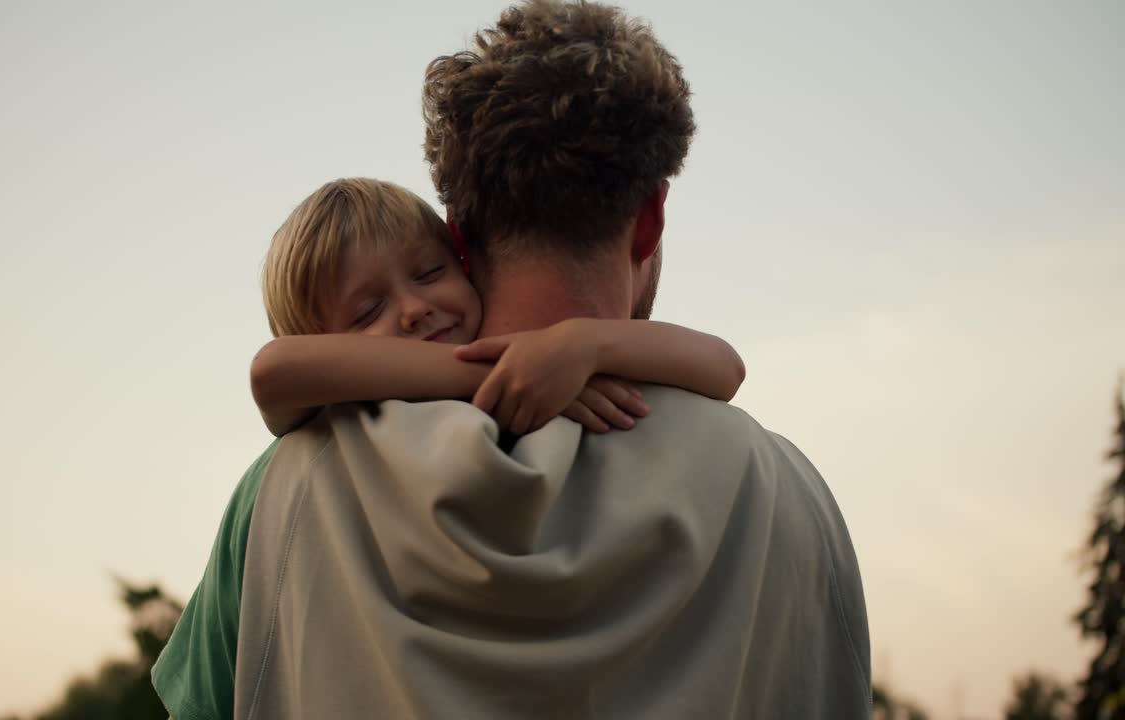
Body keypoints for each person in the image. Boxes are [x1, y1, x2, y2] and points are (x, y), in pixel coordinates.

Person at [155, 1, 870, 718]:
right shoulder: (792, 498)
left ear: (459, 236)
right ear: (651, 216)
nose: (408, 310)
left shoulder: (284, 491)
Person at [248, 176, 746, 438]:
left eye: (429, 274)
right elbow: (273, 369)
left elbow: (725, 367)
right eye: (366, 311)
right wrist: (493, 376)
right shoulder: (332, 416)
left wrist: (580, 346)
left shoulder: (550, 358)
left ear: (463, 260)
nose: (413, 308)